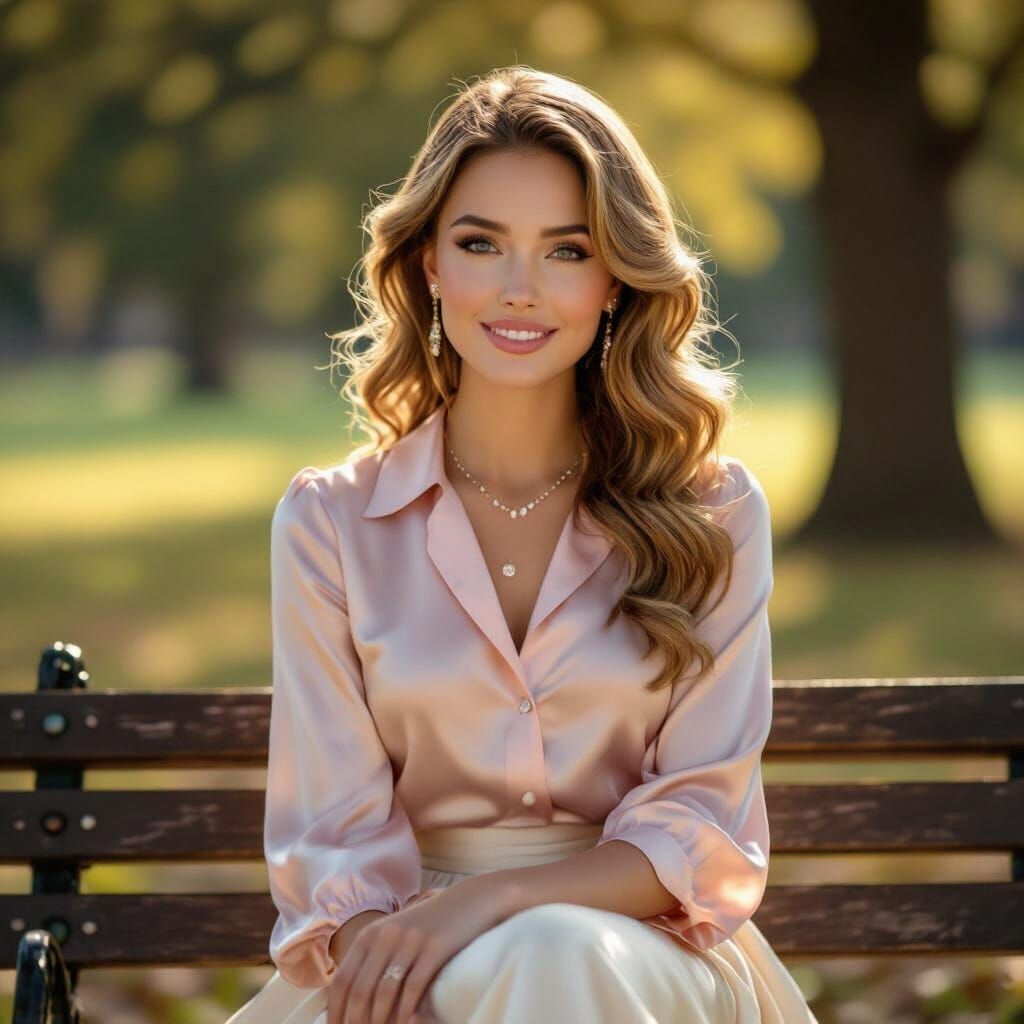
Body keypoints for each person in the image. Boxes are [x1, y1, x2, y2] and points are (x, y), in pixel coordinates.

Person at [225, 66, 819, 1024]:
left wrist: (490, 903)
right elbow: (331, 833)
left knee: (552, 952)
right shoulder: (331, 526)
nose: (518, 289)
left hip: (644, 957)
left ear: (617, 274)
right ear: (428, 263)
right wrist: (403, 948)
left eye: (566, 250)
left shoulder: (713, 515)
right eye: (480, 243)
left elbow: (700, 823)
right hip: (400, 952)